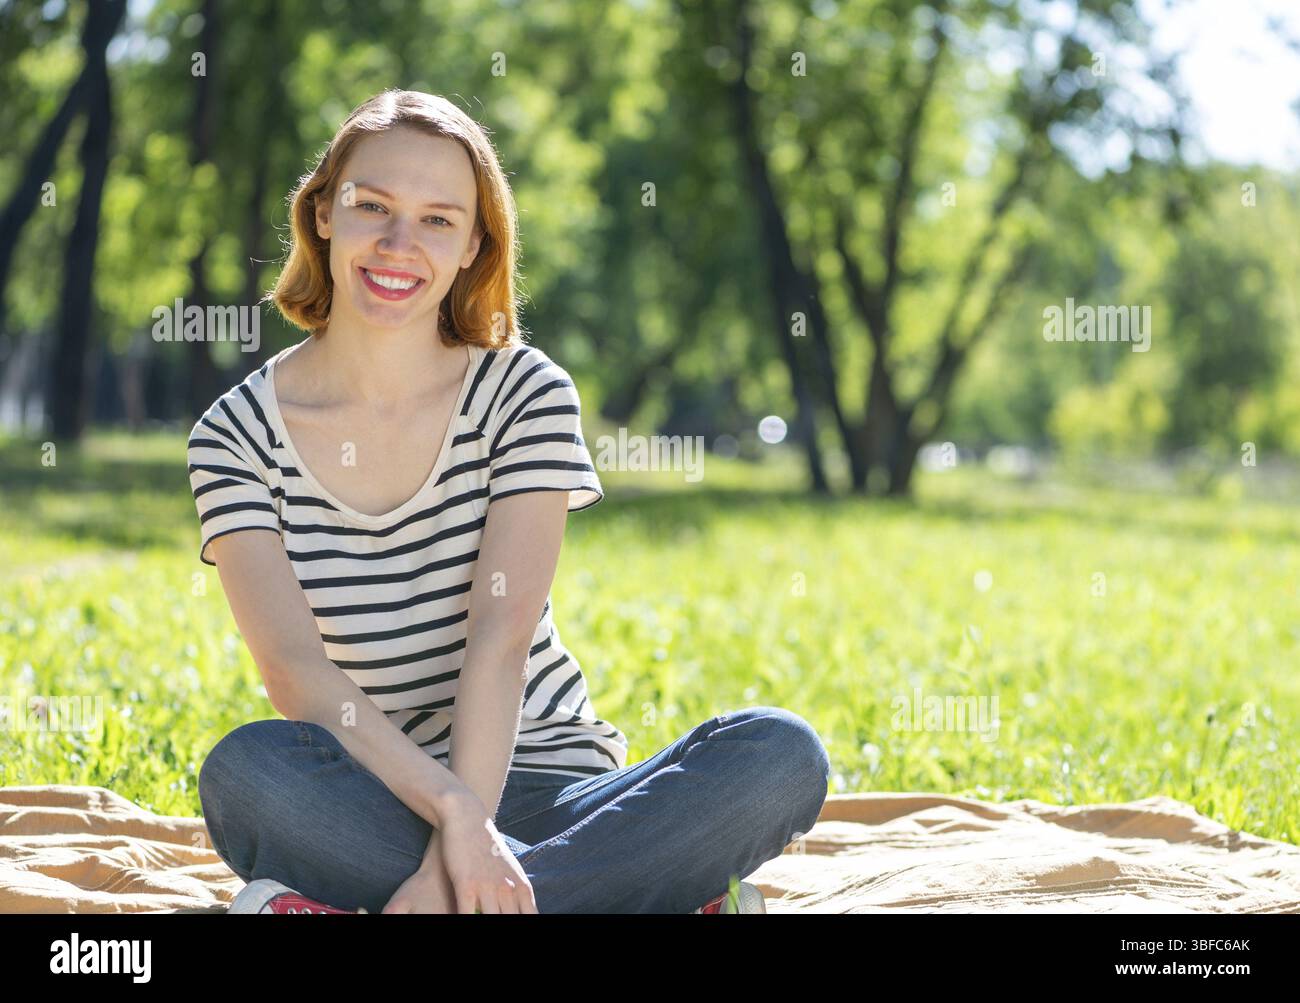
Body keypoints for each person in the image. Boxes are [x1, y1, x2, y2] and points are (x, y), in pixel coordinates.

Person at [188, 88, 830, 914]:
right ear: (321, 214)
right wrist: (451, 815)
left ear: (473, 247)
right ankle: (634, 899)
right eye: (371, 206)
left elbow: (500, 637)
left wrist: (467, 834)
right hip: (381, 791)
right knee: (248, 773)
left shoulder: (525, 393)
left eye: (437, 220)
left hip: (562, 791)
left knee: (779, 753)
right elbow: (298, 675)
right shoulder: (235, 433)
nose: (398, 244)